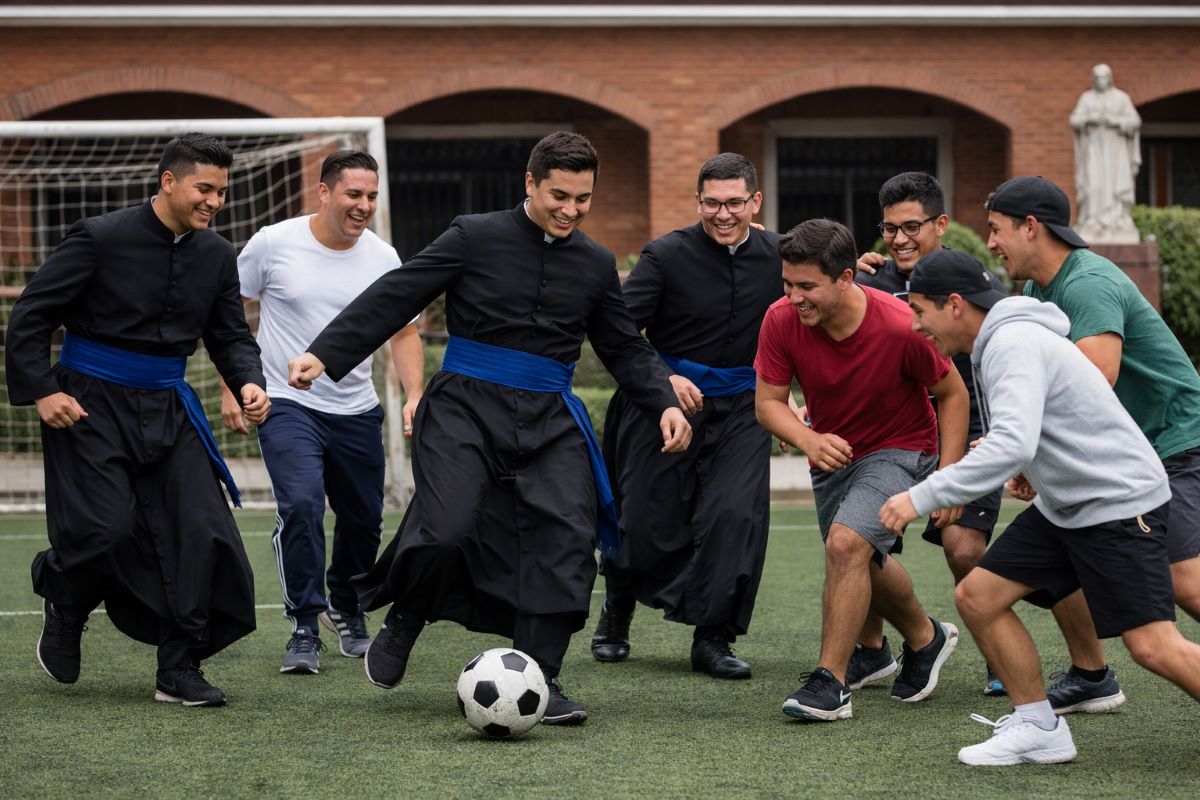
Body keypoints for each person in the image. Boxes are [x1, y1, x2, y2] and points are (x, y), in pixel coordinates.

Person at [287, 131, 692, 725]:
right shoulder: (473, 235)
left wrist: (664, 401)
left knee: (567, 539)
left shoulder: (597, 263)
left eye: (583, 200)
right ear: (529, 183)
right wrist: (325, 353)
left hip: (551, 419)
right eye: (559, 195)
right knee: (448, 526)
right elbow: (398, 294)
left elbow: (624, 348)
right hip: (464, 409)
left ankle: (541, 676)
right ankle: (407, 615)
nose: (571, 210)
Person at [882, 247, 1200, 766]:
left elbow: (1014, 441)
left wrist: (922, 494)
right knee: (979, 597)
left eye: (920, 310)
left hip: (1118, 504)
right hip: (1070, 506)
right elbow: (1041, 426)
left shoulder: (1012, 341)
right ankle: (1038, 726)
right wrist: (1027, 467)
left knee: (1153, 647)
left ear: (955, 304)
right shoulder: (1006, 338)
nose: (916, 325)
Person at [6, 132, 269, 707]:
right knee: (103, 530)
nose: (215, 202)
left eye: (222, 192)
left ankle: (179, 667)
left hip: (170, 408)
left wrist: (249, 379)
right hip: (88, 404)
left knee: (202, 533)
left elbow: (228, 335)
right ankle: (66, 599)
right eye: (205, 188)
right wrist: (42, 390)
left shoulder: (219, 255)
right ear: (168, 181)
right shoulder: (99, 238)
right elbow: (30, 315)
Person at [985, 175, 1200, 714]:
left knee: (1182, 580)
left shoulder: (1088, 283)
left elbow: (1092, 381)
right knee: (1063, 536)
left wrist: (1027, 447)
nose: (990, 242)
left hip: (1173, 442)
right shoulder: (1037, 291)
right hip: (1125, 459)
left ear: (1030, 227)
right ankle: (1091, 676)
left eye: (995, 229)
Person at [754, 218, 967, 722]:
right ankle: (925, 636)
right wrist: (807, 438)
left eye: (807, 286)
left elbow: (952, 393)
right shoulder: (780, 319)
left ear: (847, 278)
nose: (794, 296)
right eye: (788, 283)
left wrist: (951, 478)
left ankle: (830, 683)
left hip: (902, 448)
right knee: (861, 559)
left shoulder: (899, 325)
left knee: (846, 545)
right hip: (831, 454)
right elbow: (768, 403)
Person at [219, 150, 424, 675]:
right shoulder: (273, 243)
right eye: (354, 194)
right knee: (304, 504)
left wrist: (415, 395)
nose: (364, 206)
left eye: (372, 196)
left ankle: (347, 606)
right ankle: (304, 623)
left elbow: (403, 330)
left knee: (364, 520)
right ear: (325, 192)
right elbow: (228, 314)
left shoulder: (383, 257)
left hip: (356, 408)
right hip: (286, 401)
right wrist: (233, 384)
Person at [590, 153, 780, 679]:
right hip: (665, 403)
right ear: (698, 202)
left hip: (744, 406)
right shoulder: (664, 255)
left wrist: (869, 269)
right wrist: (664, 381)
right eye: (712, 203)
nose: (724, 214)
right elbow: (619, 331)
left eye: (735, 204)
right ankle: (618, 606)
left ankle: (713, 637)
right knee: (643, 520)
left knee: (736, 517)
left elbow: (825, 295)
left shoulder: (778, 255)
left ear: (755, 202)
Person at [856, 172, 1008, 696]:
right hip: (894, 436)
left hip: (966, 434)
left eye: (912, 227)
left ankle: (999, 656)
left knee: (964, 545)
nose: (899, 239)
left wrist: (957, 468)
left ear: (940, 224)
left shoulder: (976, 285)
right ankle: (870, 650)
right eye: (890, 228)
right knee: (858, 543)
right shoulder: (870, 285)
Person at [1069, 64, 1142, 243]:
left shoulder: (1121, 98)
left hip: (1116, 152)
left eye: (1103, 77)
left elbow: (1135, 121)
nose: (1100, 81)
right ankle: (1093, 219)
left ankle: (1117, 219)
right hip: (1094, 150)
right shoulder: (1087, 98)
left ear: (1109, 78)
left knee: (1116, 183)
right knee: (1094, 183)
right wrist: (1088, 119)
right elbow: (1074, 119)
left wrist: (1116, 121)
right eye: (1097, 78)